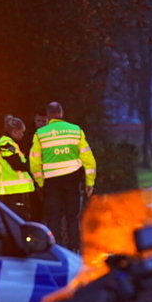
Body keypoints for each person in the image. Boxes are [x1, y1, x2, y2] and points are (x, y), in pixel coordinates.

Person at [29, 102, 96, 250]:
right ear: (62, 113)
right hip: (72, 179)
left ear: (48, 115)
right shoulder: (75, 130)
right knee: (72, 217)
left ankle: (56, 250)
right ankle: (74, 249)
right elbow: (88, 159)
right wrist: (89, 182)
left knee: (54, 217)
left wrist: (40, 182)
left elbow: (34, 161)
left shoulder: (40, 134)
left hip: (51, 182)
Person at [0, 116, 36, 220]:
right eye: (21, 132)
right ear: (14, 131)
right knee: (16, 219)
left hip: (14, 189)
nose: (22, 135)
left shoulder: (8, 143)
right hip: (12, 189)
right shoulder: (6, 144)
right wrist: (31, 167)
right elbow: (16, 164)